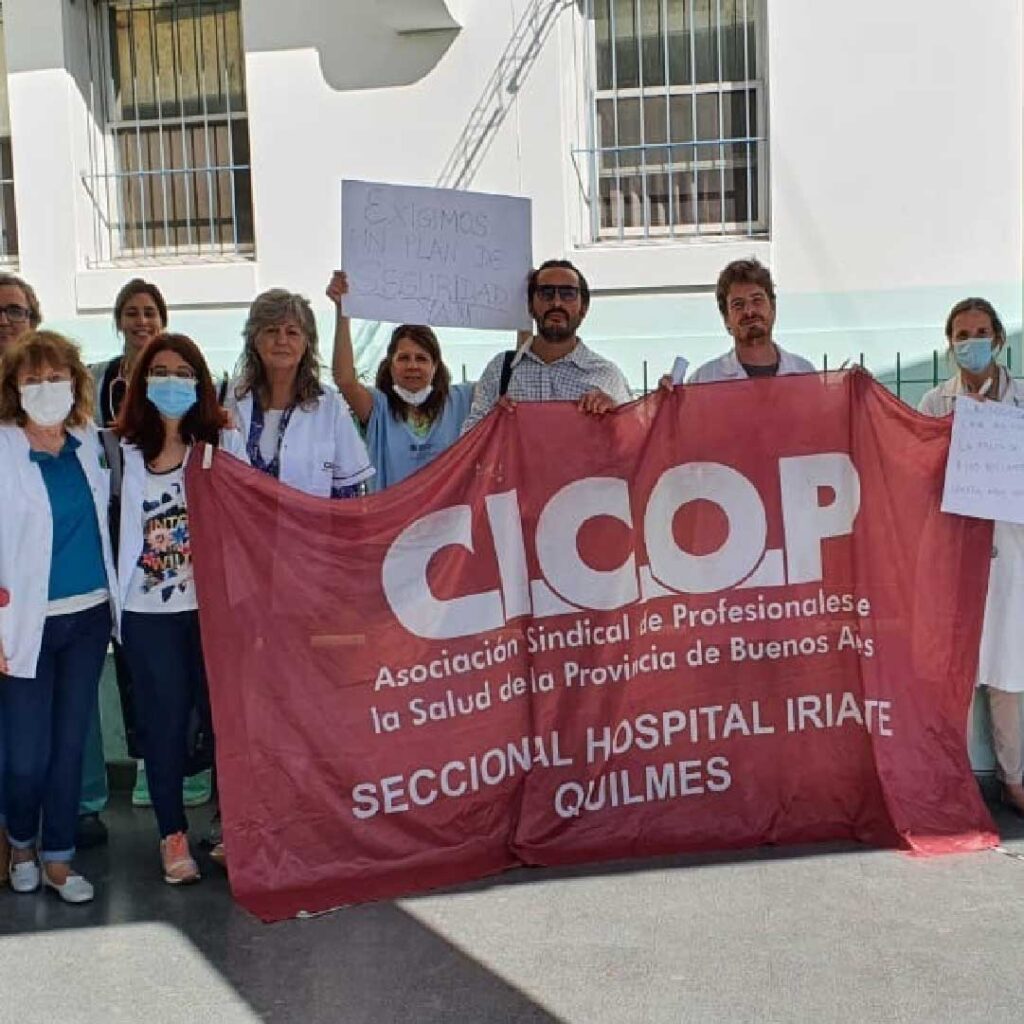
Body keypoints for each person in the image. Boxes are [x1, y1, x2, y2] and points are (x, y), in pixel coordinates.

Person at [114, 332, 247, 885]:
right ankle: (172, 833)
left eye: (183, 372)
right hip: (148, 616)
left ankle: (229, 828)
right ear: (144, 382)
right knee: (164, 725)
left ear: (201, 382)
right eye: (160, 371)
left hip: (213, 610)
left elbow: (246, 522)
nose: (172, 382)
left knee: (224, 723)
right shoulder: (118, 455)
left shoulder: (219, 449)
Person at [0, 331, 118, 904]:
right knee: (25, 754)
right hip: (23, 625)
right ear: (13, 388)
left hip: (88, 616)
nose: (45, 389)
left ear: (74, 382)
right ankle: (21, 841)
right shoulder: (1, 448)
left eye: (55, 377)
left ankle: (59, 859)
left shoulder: (88, 441)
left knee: (70, 744)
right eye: (31, 379)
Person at [918, 297, 1024, 817]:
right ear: (950, 344)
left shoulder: (1023, 401)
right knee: (955, 670)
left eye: (981, 332)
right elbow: (915, 472)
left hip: (1012, 553)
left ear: (999, 339)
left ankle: (1015, 779)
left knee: (1009, 671)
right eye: (962, 334)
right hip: (955, 553)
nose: (972, 342)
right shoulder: (935, 404)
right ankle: (952, 776)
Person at [327, 271, 474, 489]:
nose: (412, 365)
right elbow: (344, 379)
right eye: (404, 358)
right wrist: (342, 310)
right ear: (391, 365)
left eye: (421, 358)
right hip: (391, 522)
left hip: (448, 521)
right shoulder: (378, 407)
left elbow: (511, 382)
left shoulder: (461, 400)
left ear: (435, 366)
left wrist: (523, 318)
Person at [231, 288, 374, 497]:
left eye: (292, 332)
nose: (281, 341)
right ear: (254, 339)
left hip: (309, 529)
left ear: (307, 343)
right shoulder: (226, 399)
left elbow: (348, 490)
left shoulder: (329, 405)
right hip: (238, 528)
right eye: (271, 330)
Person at [460, 259, 631, 434]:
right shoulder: (501, 370)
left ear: (584, 308)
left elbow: (633, 447)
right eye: (546, 293)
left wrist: (615, 417)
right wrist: (492, 422)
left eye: (568, 294)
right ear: (530, 306)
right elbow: (468, 442)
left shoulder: (606, 376)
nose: (557, 303)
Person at [0, 270, 40, 886]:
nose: (5, 320)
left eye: (15, 311)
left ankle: (20, 841)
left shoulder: (50, 401)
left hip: (32, 603)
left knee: (23, 739)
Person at [687, 259, 815, 382]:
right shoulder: (704, 380)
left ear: (773, 307)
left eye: (757, 300)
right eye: (738, 304)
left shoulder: (805, 373)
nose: (749, 311)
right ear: (726, 318)